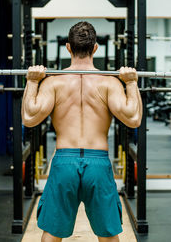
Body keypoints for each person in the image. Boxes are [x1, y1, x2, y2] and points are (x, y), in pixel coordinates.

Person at [22, 21, 142, 242]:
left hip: (63, 162)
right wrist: (132, 83)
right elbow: (134, 119)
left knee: (52, 234)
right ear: (95, 48)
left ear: (68, 47)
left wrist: (31, 82)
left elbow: (29, 119)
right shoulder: (109, 83)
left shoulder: (53, 82)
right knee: (108, 235)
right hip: (98, 164)